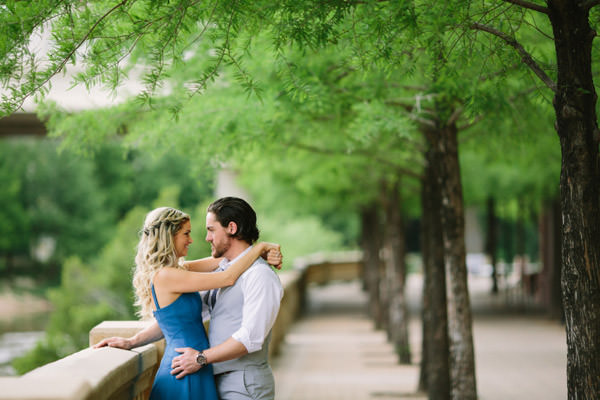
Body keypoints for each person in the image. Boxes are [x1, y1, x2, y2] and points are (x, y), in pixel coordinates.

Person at [93, 206, 282, 400]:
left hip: (195, 364)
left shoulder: (176, 271)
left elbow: (227, 261)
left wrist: (132, 341)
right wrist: (260, 248)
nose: (193, 240)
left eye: (210, 230)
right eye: (186, 233)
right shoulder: (168, 276)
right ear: (170, 236)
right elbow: (228, 276)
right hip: (185, 366)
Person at [169, 197, 284, 400]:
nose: (207, 238)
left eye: (211, 230)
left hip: (245, 385)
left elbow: (250, 338)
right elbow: (185, 312)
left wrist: (200, 358)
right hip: (217, 380)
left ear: (231, 227)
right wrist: (133, 341)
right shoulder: (224, 269)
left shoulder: (259, 275)